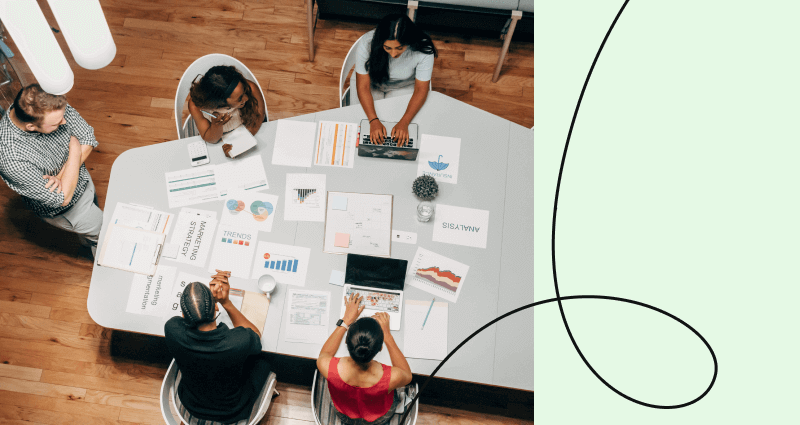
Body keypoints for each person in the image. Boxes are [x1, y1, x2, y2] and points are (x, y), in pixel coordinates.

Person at [0, 84, 102, 258]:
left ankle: (88, 240)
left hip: (83, 181)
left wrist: (62, 176)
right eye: (56, 124)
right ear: (31, 126)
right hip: (70, 210)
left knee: (93, 228)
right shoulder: (10, 158)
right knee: (105, 236)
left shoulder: (46, 104)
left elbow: (87, 137)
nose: (64, 122)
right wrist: (75, 148)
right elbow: (62, 197)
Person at [164, 270, 271, 425]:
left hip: (192, 404)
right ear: (216, 308)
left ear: (183, 315)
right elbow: (255, 334)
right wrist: (226, 302)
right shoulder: (237, 342)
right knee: (262, 362)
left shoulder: (172, 330)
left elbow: (182, 322)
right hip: (233, 411)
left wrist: (200, 306)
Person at [317, 293, 413, 425]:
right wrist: (388, 336)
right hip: (378, 417)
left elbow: (325, 353)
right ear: (380, 348)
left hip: (344, 414)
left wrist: (345, 322)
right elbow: (407, 375)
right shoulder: (391, 377)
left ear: (346, 341)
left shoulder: (327, 366)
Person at [351, 14, 437, 146]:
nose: (393, 54)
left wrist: (404, 122)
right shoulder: (367, 43)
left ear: (409, 41)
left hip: (403, 85)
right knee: (362, 125)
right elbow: (362, 86)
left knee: (400, 128)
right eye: (387, 48)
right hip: (372, 83)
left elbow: (421, 89)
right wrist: (373, 120)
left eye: (400, 48)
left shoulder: (423, 49)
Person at [187, 65, 266, 157]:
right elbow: (212, 139)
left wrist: (240, 144)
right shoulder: (195, 107)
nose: (247, 98)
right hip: (219, 139)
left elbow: (258, 118)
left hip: (248, 130)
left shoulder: (251, 88)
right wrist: (217, 125)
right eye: (240, 98)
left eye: (244, 90)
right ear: (220, 104)